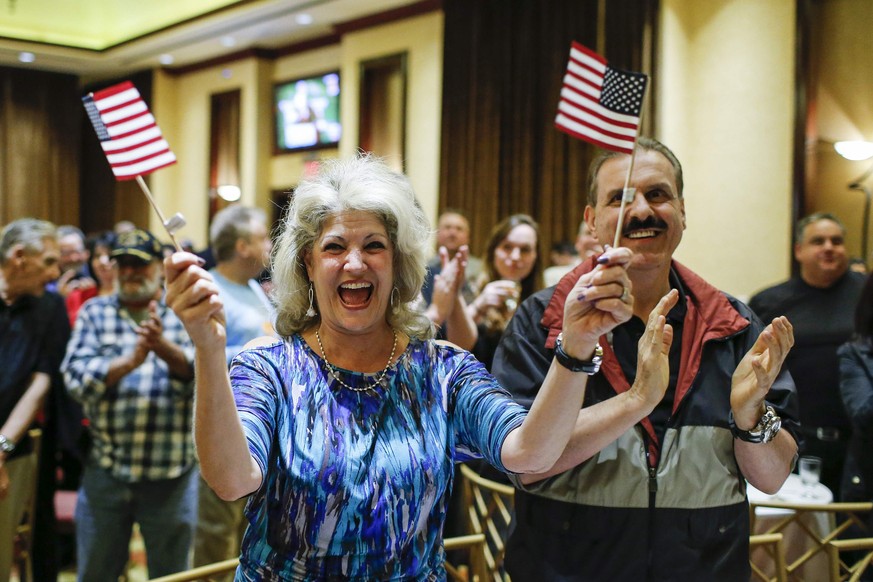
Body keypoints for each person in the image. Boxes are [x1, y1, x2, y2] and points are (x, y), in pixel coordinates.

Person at [163, 154, 651, 580]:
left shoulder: (442, 370)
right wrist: (208, 349)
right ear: (307, 265)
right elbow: (230, 480)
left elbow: (529, 453)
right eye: (334, 247)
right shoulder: (269, 368)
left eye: (374, 246)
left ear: (398, 264)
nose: (355, 263)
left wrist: (578, 345)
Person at [492, 137, 800, 581]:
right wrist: (636, 400)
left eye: (658, 194)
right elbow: (524, 461)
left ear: (682, 212)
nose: (641, 211)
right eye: (619, 198)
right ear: (592, 221)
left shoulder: (733, 324)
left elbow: (772, 479)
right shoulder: (543, 321)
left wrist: (749, 418)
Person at [62, 228, 197, 581]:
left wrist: (164, 350)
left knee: (172, 575)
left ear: (159, 267)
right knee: (95, 572)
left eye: (139, 264)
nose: (130, 272)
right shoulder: (95, 313)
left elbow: (207, 380)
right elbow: (74, 379)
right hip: (106, 470)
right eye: (122, 264)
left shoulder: (183, 310)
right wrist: (130, 362)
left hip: (172, 474)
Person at [750, 212, 865, 497]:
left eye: (836, 241)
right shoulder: (769, 302)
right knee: (802, 535)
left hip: (862, 445)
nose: (828, 247)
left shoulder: (867, 294)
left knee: (857, 536)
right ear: (799, 250)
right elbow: (753, 372)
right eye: (818, 241)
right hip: (796, 442)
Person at [192, 205, 276, 579]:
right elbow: (187, 351)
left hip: (264, 431)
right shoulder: (208, 289)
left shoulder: (256, 288)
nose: (270, 245)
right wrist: (254, 352)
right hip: (224, 428)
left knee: (253, 534)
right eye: (263, 238)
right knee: (215, 538)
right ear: (243, 246)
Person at [0, 218, 68, 582]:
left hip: (15, 451)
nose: (55, 273)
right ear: (19, 256)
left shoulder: (49, 307)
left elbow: (42, 380)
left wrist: (1, 445)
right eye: (49, 262)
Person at [465, 214, 543, 371]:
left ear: (535, 257)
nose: (515, 257)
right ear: (494, 250)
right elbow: (448, 345)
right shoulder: (469, 291)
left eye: (525, 250)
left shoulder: (543, 302)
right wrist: (479, 305)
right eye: (507, 247)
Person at [421, 209, 484, 305]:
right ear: (437, 233)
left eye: (459, 229)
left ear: (468, 236)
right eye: (447, 227)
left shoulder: (481, 269)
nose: (452, 233)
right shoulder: (423, 269)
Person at [64, 230, 118, 325]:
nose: (103, 261)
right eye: (97, 256)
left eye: (110, 255)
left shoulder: (130, 296)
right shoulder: (79, 295)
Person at [543, 221, 604, 287]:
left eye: (601, 234)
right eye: (589, 233)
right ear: (577, 241)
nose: (595, 240)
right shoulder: (553, 276)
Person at [51, 225, 96, 297]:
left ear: (86, 253)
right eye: (66, 253)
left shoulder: (97, 272)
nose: (73, 258)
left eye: (78, 252)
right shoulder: (48, 279)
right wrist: (59, 297)